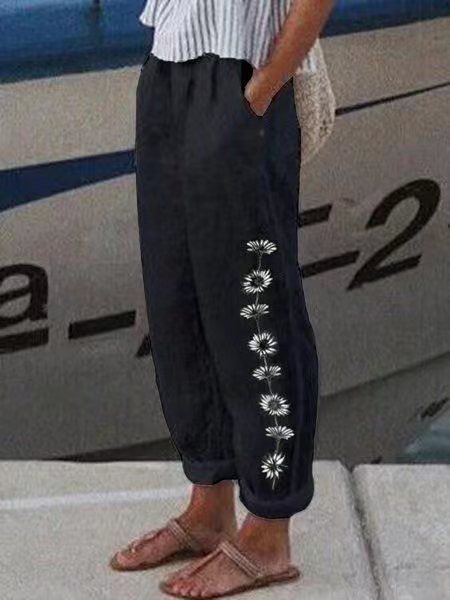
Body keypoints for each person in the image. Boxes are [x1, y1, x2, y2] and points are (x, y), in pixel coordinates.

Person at [110, 0, 334, 597]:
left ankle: (269, 530)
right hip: (168, 67)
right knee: (178, 299)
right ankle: (210, 506)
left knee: (256, 308)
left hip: (243, 74)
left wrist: (260, 93)